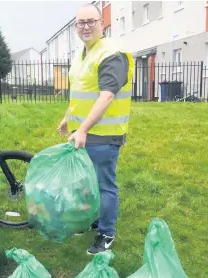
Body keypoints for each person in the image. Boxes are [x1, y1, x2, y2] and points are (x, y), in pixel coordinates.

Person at [58, 4, 134, 255]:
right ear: (75, 27)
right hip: (84, 132)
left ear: (102, 24)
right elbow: (81, 93)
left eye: (91, 21)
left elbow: (106, 96)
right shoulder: (83, 52)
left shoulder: (111, 53)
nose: (86, 26)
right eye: (80, 22)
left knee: (103, 184)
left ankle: (106, 232)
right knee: (86, 183)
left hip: (103, 135)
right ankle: (95, 219)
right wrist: (67, 118)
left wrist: (83, 129)